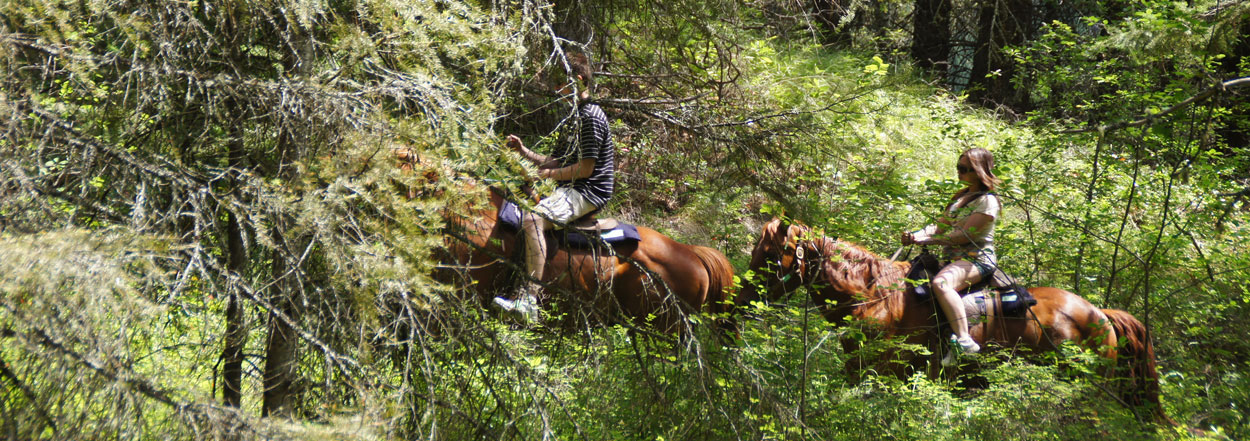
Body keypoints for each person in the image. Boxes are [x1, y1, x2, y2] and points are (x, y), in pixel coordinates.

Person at [493, 51, 616, 322]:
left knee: (532, 220)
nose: (557, 90)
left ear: (580, 80)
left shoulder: (590, 116)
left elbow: (586, 168)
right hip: (573, 188)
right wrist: (524, 152)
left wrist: (545, 175)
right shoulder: (575, 116)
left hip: (588, 191)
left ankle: (529, 299)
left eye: (562, 83)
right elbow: (559, 160)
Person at [901, 148, 1002, 366]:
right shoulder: (961, 197)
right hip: (952, 259)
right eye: (958, 168)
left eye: (965, 169)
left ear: (979, 171)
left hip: (978, 258)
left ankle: (965, 341)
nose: (960, 173)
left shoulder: (988, 201)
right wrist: (915, 235)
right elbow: (938, 228)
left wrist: (927, 241)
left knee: (941, 283)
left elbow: (965, 236)